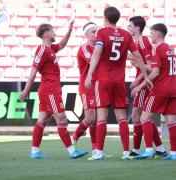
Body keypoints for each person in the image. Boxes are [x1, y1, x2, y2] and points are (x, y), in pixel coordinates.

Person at [85, 6, 152, 160]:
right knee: (122, 118)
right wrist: (146, 75)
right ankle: (126, 153)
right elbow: (137, 56)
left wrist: (89, 75)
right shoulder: (126, 35)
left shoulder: (102, 32)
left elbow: (97, 52)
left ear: (105, 18)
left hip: (103, 80)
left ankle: (99, 152)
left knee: (102, 116)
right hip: (119, 81)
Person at [20, 21, 88, 159]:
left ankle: (34, 151)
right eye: (52, 31)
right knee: (62, 119)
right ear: (46, 34)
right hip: (49, 90)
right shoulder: (42, 50)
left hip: (50, 89)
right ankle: (71, 151)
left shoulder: (50, 49)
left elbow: (62, 44)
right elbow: (33, 71)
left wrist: (69, 31)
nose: (55, 33)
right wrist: (26, 91)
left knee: (42, 120)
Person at [131, 23, 176, 160]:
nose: (150, 36)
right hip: (173, 88)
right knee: (171, 121)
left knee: (144, 117)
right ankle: (173, 153)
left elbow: (155, 72)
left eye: (151, 33)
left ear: (157, 34)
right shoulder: (170, 48)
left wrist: (140, 86)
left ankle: (149, 150)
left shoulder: (157, 49)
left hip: (161, 88)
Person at [127, 16, 166, 159]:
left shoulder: (143, 41)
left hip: (146, 84)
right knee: (143, 117)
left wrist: (138, 81)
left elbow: (150, 67)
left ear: (137, 28)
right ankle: (160, 149)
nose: (128, 28)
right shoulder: (137, 42)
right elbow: (142, 64)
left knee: (138, 115)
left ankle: (139, 149)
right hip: (142, 82)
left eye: (130, 26)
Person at [72, 22, 97, 155]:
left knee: (96, 119)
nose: (96, 34)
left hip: (98, 86)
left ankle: (95, 149)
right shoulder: (84, 48)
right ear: (86, 34)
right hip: (87, 86)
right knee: (90, 118)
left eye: (97, 31)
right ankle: (74, 138)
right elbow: (93, 61)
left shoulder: (99, 47)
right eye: (93, 32)